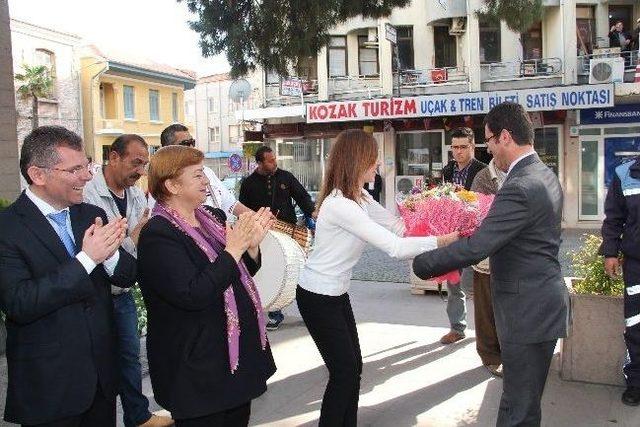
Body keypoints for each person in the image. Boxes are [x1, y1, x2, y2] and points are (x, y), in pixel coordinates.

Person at [413, 102, 569, 427]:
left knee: (519, 411)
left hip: (528, 313)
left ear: (506, 137)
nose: (488, 149)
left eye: (489, 141)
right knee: (518, 404)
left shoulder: (521, 186)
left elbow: (480, 245)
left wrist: (424, 261)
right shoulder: (544, 174)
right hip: (539, 305)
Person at [297, 129, 458, 426]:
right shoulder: (340, 205)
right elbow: (395, 248)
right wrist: (441, 241)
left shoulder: (360, 197)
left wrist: (434, 214)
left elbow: (397, 227)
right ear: (357, 161)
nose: (378, 166)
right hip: (317, 296)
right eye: (373, 160)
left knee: (352, 369)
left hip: (335, 293)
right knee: (344, 372)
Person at [0, 126, 137, 426]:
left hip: (100, 383)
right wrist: (88, 259)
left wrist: (111, 254)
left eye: (87, 166)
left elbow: (127, 277)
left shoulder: (88, 214)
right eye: (75, 169)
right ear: (38, 175)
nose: (87, 177)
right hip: (49, 387)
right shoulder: (7, 228)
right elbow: (20, 302)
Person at [137, 145, 276, 427]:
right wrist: (233, 250)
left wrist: (250, 247)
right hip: (197, 366)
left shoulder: (212, 217)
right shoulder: (158, 234)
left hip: (232, 360)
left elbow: (237, 273)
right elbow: (193, 293)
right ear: (172, 185)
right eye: (198, 175)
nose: (207, 182)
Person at [83, 134, 173, 427]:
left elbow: (134, 245)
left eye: (145, 164)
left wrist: (132, 239)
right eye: (136, 163)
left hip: (122, 292)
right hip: (94, 294)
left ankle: (138, 415)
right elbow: (105, 249)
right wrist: (134, 237)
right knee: (98, 365)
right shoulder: (87, 194)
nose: (141, 171)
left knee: (130, 356)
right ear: (114, 158)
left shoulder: (135, 194)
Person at [239, 145, 316, 330]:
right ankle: (275, 313)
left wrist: (313, 213)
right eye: (270, 160)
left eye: (275, 159)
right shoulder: (249, 183)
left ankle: (310, 311)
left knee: (300, 271)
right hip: (263, 236)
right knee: (273, 271)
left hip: (289, 232)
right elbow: (242, 209)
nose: (275, 162)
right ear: (259, 163)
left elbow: (302, 196)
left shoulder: (286, 177)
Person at [440, 127, 487, 345]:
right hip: (452, 234)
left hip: (476, 235)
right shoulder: (447, 170)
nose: (458, 152)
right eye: (455, 147)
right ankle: (457, 328)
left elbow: (487, 203)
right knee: (454, 282)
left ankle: (488, 329)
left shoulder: (484, 171)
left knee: (474, 284)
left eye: (463, 147)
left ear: (473, 146)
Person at [601, 155, 640, 406]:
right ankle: (636, 382)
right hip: (637, 264)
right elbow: (614, 218)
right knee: (636, 325)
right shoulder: (625, 173)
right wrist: (610, 252)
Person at [158, 123, 252, 218]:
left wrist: (260, 221)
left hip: (216, 229)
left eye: (192, 142)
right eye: (185, 144)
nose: (191, 147)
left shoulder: (207, 171)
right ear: (168, 148)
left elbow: (231, 204)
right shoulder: (162, 179)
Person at [469, 158, 507, 377]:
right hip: (487, 257)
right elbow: (476, 216)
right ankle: (490, 355)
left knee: (511, 309)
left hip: (517, 257)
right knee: (486, 310)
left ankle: (512, 352)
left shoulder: (525, 171)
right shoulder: (484, 177)